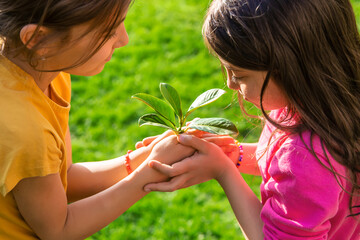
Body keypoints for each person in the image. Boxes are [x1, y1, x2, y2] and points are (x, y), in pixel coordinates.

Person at [142, 0, 360, 239]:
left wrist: (224, 171)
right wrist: (235, 155)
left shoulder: (305, 156)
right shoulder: (319, 105)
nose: (229, 83)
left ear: (288, 68)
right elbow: (285, 168)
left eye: (239, 74)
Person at [0, 1, 195, 239]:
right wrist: (152, 173)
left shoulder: (49, 74)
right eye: (108, 32)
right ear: (38, 39)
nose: (124, 40)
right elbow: (59, 230)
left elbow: (65, 179)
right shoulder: (27, 130)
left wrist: (143, 158)